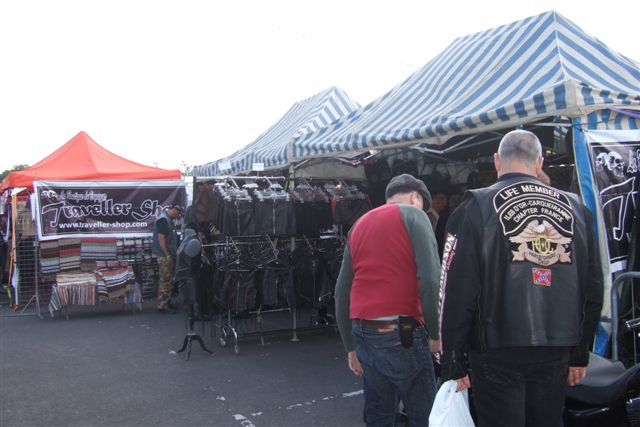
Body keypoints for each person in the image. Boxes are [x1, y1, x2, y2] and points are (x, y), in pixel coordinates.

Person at [439, 130, 604, 427]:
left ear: (496, 160)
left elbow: (457, 290)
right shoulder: (577, 209)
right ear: (539, 163)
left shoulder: (475, 207)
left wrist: (454, 360)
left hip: (496, 347)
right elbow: (593, 286)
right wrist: (580, 353)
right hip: (557, 345)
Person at [335, 173, 441, 427]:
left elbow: (342, 290)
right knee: (425, 414)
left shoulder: (359, 224)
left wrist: (350, 346)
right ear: (415, 197)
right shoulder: (414, 215)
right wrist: (435, 333)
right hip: (401, 331)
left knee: (379, 414)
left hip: (363, 332)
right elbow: (430, 280)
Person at [152, 204, 182, 313]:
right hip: (164, 255)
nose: (178, 215)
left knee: (169, 280)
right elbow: (161, 238)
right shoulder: (163, 220)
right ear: (173, 210)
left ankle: (166, 302)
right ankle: (162, 306)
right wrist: (167, 254)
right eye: (178, 213)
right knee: (165, 280)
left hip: (167, 254)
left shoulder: (168, 219)